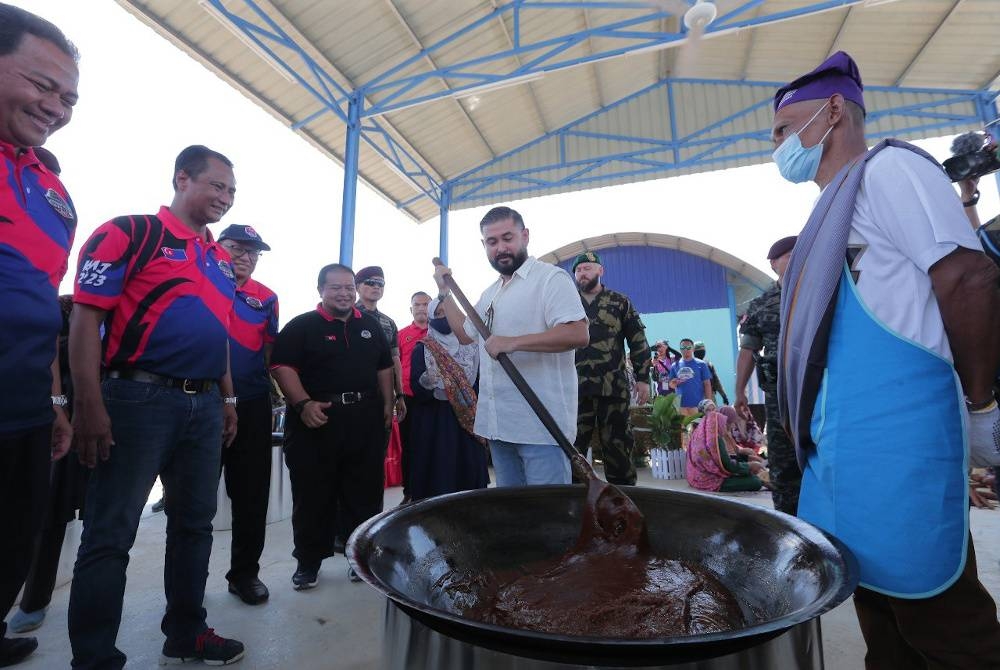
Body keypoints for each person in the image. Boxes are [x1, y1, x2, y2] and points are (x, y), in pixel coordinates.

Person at [772, 51, 1000, 667]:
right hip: (843, 456)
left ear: (835, 110)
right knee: (882, 619)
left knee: (944, 624)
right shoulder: (831, 209)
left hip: (899, 445)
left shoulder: (890, 171)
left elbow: (969, 280)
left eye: (784, 131)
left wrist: (981, 406)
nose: (778, 148)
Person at [68, 145, 245, 668]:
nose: (225, 198)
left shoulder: (218, 257)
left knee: (194, 525)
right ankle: (95, 656)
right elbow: (84, 319)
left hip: (206, 404)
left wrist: (227, 397)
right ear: (182, 179)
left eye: (232, 191)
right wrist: (88, 403)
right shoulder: (130, 232)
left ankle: (186, 633)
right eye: (217, 185)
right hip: (136, 399)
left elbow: (219, 335)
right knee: (111, 533)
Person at [0, 6, 78, 666]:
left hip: (25, 403)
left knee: (13, 541)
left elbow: (42, 307)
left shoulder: (53, 190)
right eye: (42, 84)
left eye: (69, 96)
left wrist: (55, 400)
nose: (56, 105)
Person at [433, 206, 589, 486]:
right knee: (512, 519)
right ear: (484, 246)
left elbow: (577, 333)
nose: (501, 248)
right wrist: (444, 293)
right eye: (492, 242)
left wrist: (513, 342)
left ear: (525, 236)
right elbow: (465, 333)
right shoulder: (490, 293)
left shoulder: (550, 279)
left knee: (547, 518)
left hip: (542, 429)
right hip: (499, 427)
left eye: (508, 238)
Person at [270, 264, 393, 588]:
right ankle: (308, 562)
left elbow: (384, 367)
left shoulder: (370, 325)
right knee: (313, 496)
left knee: (364, 493)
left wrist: (388, 404)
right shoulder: (302, 326)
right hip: (316, 422)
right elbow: (282, 366)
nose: (343, 293)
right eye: (335, 287)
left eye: (348, 287)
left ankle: (360, 559)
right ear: (320, 290)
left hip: (364, 420)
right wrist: (303, 404)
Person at [8, 296, 89, 637]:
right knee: (50, 514)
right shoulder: (61, 307)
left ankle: (91, 600)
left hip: (121, 414)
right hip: (67, 416)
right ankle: (34, 601)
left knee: (107, 518)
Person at [217, 224, 279, 606]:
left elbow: (270, 354)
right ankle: (185, 589)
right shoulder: (200, 285)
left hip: (252, 403)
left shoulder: (267, 298)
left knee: (251, 496)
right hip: (203, 402)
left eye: (253, 252)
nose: (245, 257)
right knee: (190, 503)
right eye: (236, 248)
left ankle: (244, 574)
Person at [572, 251, 651, 486]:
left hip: (613, 389)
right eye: (578, 270)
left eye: (587, 268)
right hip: (574, 390)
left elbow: (637, 340)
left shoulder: (619, 301)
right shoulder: (566, 302)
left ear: (600, 271)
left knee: (618, 450)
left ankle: (623, 506)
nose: (582, 273)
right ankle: (570, 505)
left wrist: (643, 378)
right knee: (571, 450)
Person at [734, 235, 799, 515]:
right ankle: (789, 525)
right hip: (779, 400)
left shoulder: (824, 292)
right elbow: (748, 350)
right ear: (774, 264)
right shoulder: (761, 305)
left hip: (824, 394)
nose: (797, 259)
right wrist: (739, 392)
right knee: (783, 466)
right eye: (789, 256)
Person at [407, 297, 489, 500]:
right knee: (438, 471)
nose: (444, 319)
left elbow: (481, 384)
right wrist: (428, 381)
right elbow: (417, 388)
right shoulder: (423, 349)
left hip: (467, 420)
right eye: (439, 314)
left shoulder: (473, 348)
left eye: (448, 314)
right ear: (431, 317)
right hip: (435, 422)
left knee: (468, 472)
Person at [397, 291, 431, 503]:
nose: (421, 308)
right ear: (411, 309)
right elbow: (394, 366)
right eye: (417, 305)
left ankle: (430, 490)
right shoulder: (401, 335)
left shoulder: (439, 333)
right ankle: (409, 492)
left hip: (432, 400)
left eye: (426, 304)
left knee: (430, 444)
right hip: (407, 399)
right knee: (409, 446)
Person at [685, 408, 767, 494]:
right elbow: (727, 465)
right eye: (729, 423)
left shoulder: (702, 435)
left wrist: (747, 460)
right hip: (709, 479)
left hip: (695, 477)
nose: (731, 427)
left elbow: (720, 458)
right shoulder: (715, 439)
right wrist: (749, 466)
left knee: (752, 475)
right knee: (755, 482)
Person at [666, 338, 712, 415]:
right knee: (683, 427)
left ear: (693, 349)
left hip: (698, 406)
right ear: (680, 349)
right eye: (683, 348)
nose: (685, 350)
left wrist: (708, 403)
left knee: (697, 427)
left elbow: (707, 384)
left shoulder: (701, 364)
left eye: (688, 347)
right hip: (681, 407)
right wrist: (674, 383)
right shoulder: (674, 365)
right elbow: (671, 385)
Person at [692, 341, 729, 405]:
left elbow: (716, 381)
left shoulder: (709, 365)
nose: (701, 353)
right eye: (699, 352)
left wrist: (724, 395)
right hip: (696, 396)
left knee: (712, 414)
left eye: (702, 351)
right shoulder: (690, 365)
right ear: (694, 352)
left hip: (710, 396)